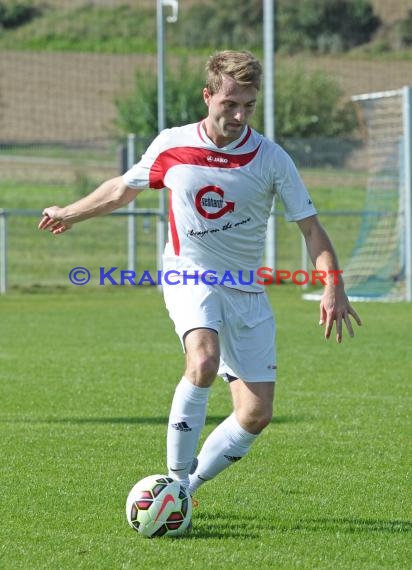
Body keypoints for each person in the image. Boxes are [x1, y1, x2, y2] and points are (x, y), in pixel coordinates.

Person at [39, 50, 361, 501]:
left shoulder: (271, 158)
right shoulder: (173, 144)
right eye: (229, 104)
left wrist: (333, 283)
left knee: (254, 414)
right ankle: (171, 482)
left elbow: (311, 227)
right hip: (188, 273)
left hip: (246, 288)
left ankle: (187, 487)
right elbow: (120, 189)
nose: (238, 115)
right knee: (203, 360)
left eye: (248, 106)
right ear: (208, 96)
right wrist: (69, 213)